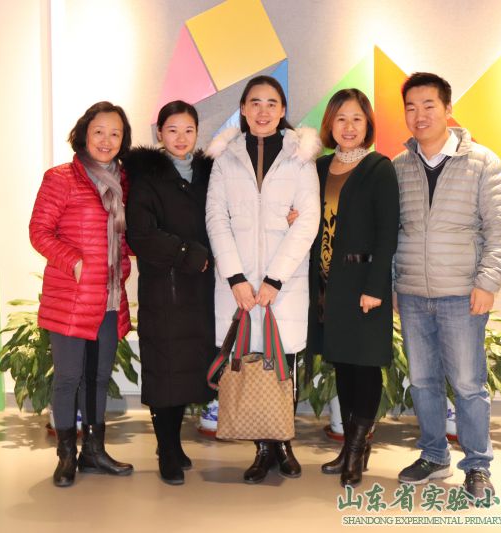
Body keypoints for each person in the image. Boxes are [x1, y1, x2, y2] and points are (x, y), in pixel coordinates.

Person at [392, 72, 501, 499]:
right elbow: (391, 231)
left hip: (462, 294)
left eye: (429, 105)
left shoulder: (481, 162)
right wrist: (394, 284)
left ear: (448, 109)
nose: (419, 115)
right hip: (412, 294)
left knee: (467, 384)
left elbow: (500, 230)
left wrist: (488, 282)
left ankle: (477, 465)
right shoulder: (399, 166)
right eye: (411, 107)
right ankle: (434, 455)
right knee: (422, 381)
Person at [206, 75, 320, 484]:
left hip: (283, 284)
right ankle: (261, 448)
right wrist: (236, 278)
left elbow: (308, 220)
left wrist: (275, 279)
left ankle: (283, 443)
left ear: (283, 110)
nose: (263, 111)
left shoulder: (300, 157)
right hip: (238, 286)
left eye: (272, 103)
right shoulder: (225, 158)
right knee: (250, 362)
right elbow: (216, 218)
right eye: (255, 102)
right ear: (243, 109)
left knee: (282, 364)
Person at [29, 101, 134, 487]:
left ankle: (94, 451)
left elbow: (123, 235)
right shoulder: (61, 178)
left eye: (115, 133)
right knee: (68, 377)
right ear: (84, 134)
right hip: (71, 296)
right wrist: (73, 261)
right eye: (99, 131)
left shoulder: (123, 181)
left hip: (108, 296)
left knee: (99, 376)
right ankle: (66, 456)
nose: (107, 140)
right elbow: (39, 231)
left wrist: (126, 260)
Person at [306, 89, 400, 487]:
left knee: (365, 366)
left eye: (357, 119)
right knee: (343, 365)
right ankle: (348, 447)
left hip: (364, 285)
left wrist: (376, 287)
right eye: (341, 118)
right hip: (328, 286)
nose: (348, 127)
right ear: (330, 124)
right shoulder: (318, 167)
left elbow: (387, 233)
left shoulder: (379, 168)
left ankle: (359, 449)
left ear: (368, 125)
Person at [122, 100, 215, 486]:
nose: (181, 138)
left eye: (188, 130)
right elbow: (141, 235)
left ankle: (175, 446)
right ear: (159, 133)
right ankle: (167, 448)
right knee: (165, 371)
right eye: (172, 130)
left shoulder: (209, 174)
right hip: (165, 289)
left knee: (188, 369)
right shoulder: (147, 177)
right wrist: (189, 253)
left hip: (201, 291)